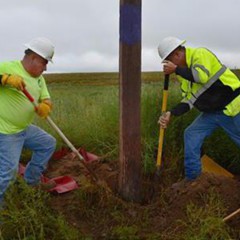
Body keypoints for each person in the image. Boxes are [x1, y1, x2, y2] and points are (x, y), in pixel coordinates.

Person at [158, 36, 240, 181]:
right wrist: (171, 113)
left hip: (233, 107)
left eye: (170, 61)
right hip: (212, 113)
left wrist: (176, 70)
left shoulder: (199, 54)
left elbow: (201, 76)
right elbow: (190, 100)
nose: (169, 65)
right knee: (191, 134)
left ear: (177, 54)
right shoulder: (184, 75)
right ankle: (193, 181)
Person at [0, 37, 57, 204]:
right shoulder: (8, 67)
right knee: (8, 173)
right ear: (33, 57)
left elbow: (46, 98)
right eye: (44, 62)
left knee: (48, 144)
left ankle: (31, 182)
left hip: (24, 129)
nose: (45, 68)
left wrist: (46, 106)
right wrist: (5, 79)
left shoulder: (39, 78)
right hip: (6, 132)